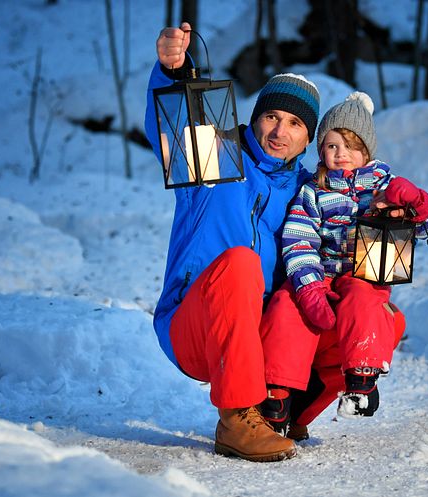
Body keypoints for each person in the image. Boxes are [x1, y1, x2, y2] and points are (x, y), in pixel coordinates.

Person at [144, 22, 321, 462]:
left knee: (347, 298)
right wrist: (171, 72)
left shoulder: (306, 191)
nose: (279, 131)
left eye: (295, 123)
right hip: (195, 323)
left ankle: (286, 406)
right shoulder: (215, 156)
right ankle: (236, 416)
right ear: (256, 116)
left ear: (308, 138)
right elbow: (169, 128)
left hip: (253, 336)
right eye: (272, 116)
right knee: (241, 262)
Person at [258, 92, 428, 438]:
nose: (340, 153)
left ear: (367, 150)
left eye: (350, 145)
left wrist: (415, 202)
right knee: (286, 304)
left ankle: (361, 380)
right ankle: (277, 393)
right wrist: (309, 286)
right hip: (322, 274)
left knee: (364, 301)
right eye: (331, 146)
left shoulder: (385, 189)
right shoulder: (313, 191)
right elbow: (300, 240)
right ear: (321, 152)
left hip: (365, 273)